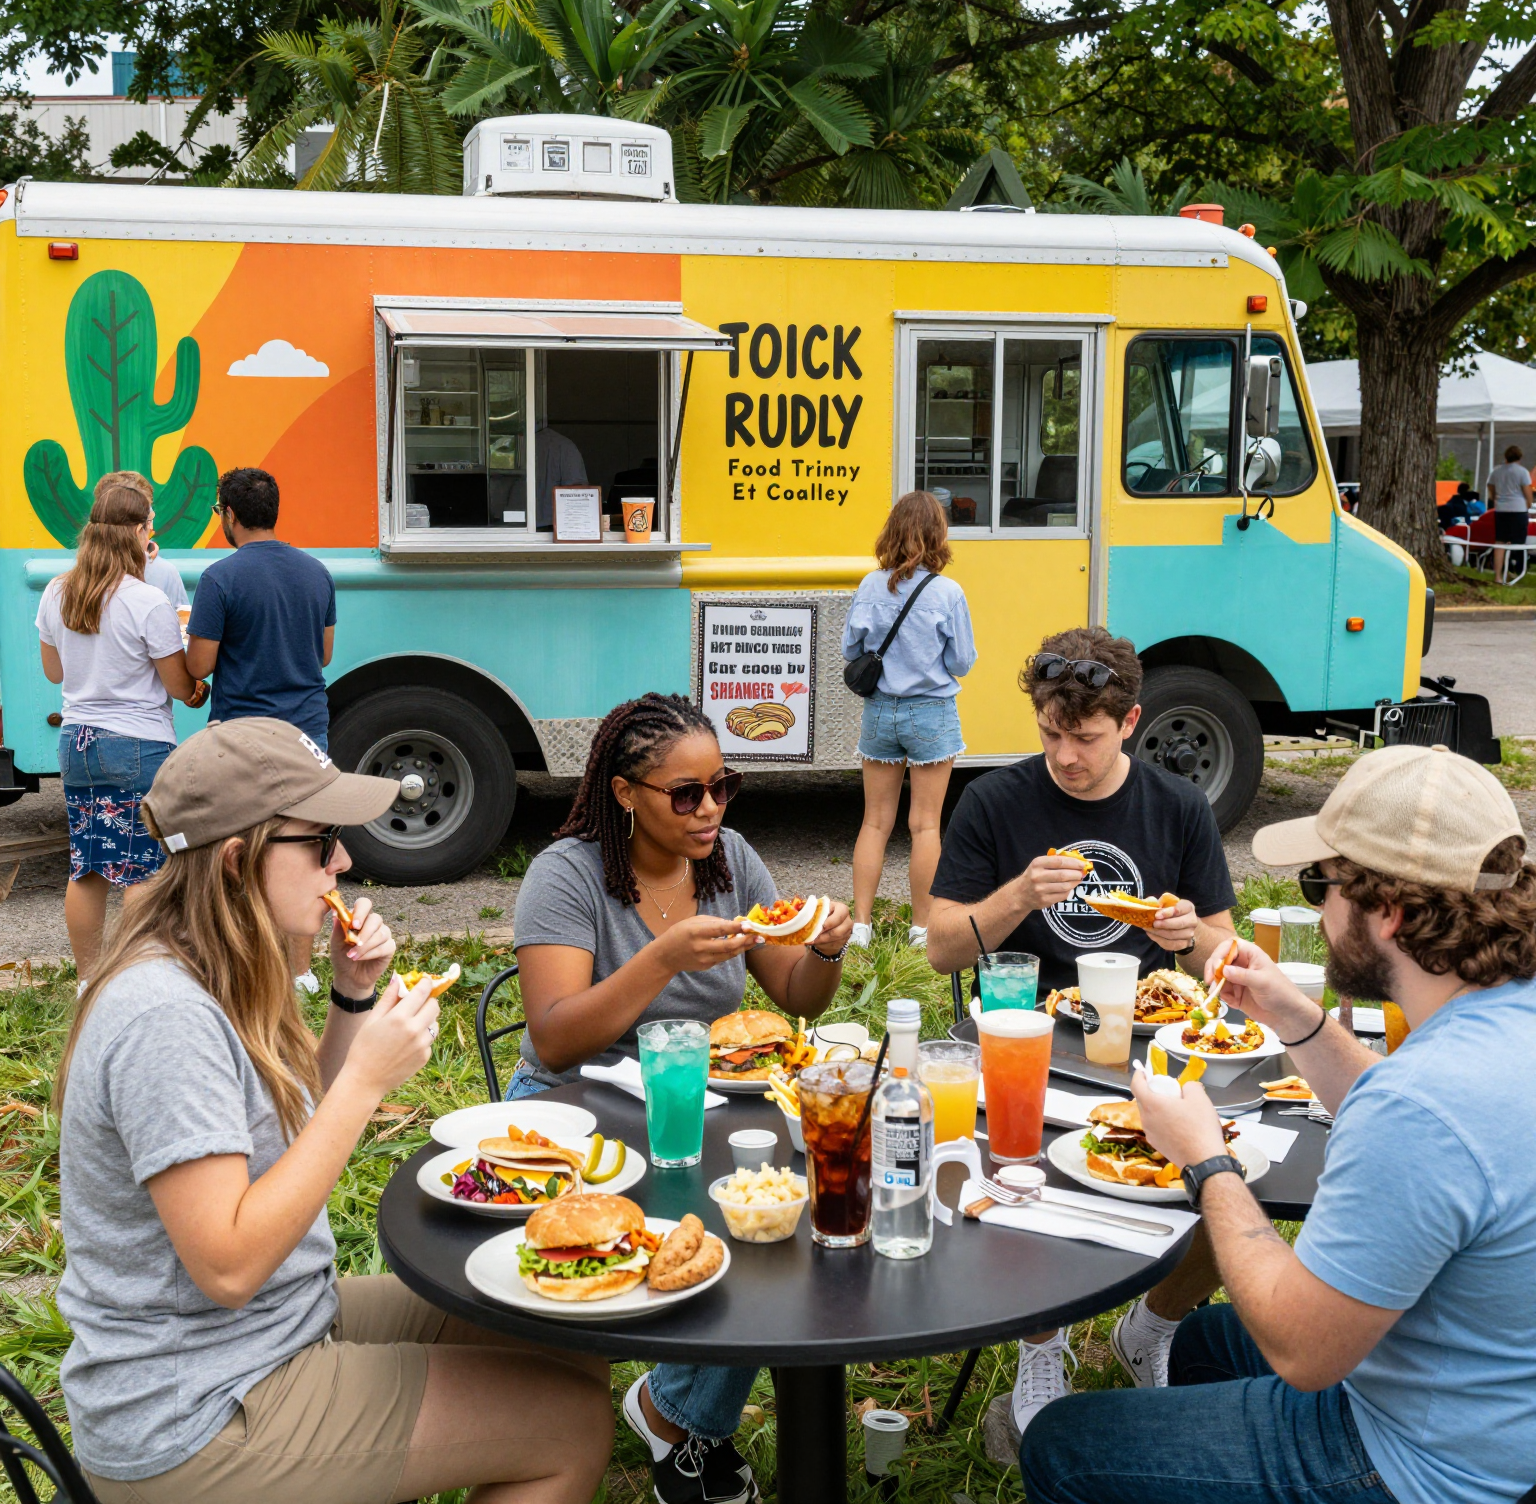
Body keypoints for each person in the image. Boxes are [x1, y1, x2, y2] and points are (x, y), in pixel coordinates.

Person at [55, 717, 613, 1504]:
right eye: (320, 844)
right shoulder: (164, 1016)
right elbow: (230, 1265)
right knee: (570, 1423)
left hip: (278, 1326)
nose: (344, 862)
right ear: (239, 860)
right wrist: (366, 1086)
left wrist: (352, 999)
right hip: (196, 1409)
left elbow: (280, 1135)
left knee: (554, 1331)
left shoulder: (217, 967)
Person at [1022, 741, 1536, 1504]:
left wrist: (1206, 1164)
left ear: (1388, 912)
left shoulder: (1420, 1107)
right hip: (1498, 1399)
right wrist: (1298, 1022)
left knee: (1064, 1447)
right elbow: (1437, 1125)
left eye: (1319, 884)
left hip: (1432, 1466)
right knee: (1201, 1342)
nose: (1314, 909)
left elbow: (1303, 1351)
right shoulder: (1494, 1029)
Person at [511, 692, 853, 1504]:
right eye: (687, 793)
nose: (711, 810)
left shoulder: (729, 859)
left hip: (706, 1102)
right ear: (626, 793)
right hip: (579, 1111)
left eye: (722, 786)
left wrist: (826, 951)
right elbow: (556, 1037)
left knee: (773, 1228)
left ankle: (674, 1411)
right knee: (725, 1235)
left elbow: (797, 997)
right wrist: (660, 959)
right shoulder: (567, 875)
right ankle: (673, 1414)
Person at [925, 625, 1237, 1450]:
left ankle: (1153, 1325)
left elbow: (1227, 956)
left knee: (1236, 1179)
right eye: (1050, 734)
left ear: (1130, 722)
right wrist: (1019, 895)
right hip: (1031, 1043)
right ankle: (1043, 1342)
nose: (1065, 755)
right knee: (1018, 1166)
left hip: (1156, 1048)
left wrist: (1184, 937)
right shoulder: (998, 801)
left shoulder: (1176, 806)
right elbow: (941, 944)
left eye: (1086, 738)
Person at [36, 486, 206, 980]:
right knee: (142, 870)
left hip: (77, 743)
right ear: (136, 532)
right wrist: (198, 692)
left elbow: (54, 672)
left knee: (87, 868)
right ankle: (137, 979)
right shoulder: (148, 599)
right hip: (136, 743)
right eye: (149, 524)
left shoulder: (56, 591)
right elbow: (177, 685)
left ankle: (89, 982)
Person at [843, 491, 977, 951]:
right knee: (925, 826)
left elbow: (851, 653)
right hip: (931, 714)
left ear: (892, 531)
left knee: (874, 823)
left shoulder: (868, 586)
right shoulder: (948, 592)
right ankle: (922, 928)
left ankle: (860, 925)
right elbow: (961, 662)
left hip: (880, 711)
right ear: (938, 535)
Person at [186, 467, 336, 747]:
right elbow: (324, 655)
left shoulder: (218, 578)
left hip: (242, 734)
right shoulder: (319, 572)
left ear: (229, 514)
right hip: (308, 732)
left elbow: (198, 666)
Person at [94, 471, 191, 616]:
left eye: (149, 517)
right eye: (141, 516)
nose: (150, 527)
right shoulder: (162, 574)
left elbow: (182, 623)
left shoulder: (164, 572)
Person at [1485, 444, 1533, 584]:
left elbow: (1490, 486)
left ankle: (1498, 576)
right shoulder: (1522, 472)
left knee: (1500, 541)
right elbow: (1527, 491)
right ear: (1520, 457)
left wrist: (1495, 498)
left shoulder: (1496, 471)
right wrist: (1528, 504)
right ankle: (1515, 571)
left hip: (1501, 509)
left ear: (1506, 456)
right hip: (1518, 509)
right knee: (1518, 542)